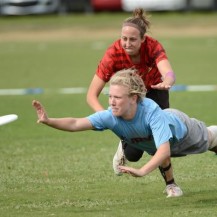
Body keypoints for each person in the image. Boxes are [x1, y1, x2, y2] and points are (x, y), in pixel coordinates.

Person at [33, 69, 217, 198]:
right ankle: (171, 186)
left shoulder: (152, 112)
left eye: (117, 97)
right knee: (155, 146)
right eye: (110, 96)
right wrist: (49, 121)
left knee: (210, 141)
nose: (112, 102)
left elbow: (164, 151)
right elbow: (75, 123)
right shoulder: (110, 116)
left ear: (133, 98)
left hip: (183, 132)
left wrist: (142, 171)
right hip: (156, 143)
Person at [86, 8, 179, 195]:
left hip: (154, 91)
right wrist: (109, 120)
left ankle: (171, 185)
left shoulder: (153, 47)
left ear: (143, 39)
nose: (127, 43)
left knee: (159, 141)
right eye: (124, 38)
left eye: (133, 39)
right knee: (133, 156)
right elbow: (91, 95)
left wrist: (167, 81)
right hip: (129, 98)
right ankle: (124, 144)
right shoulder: (113, 54)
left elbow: (167, 72)